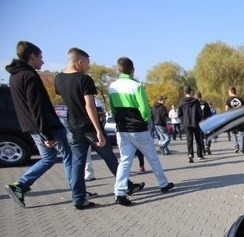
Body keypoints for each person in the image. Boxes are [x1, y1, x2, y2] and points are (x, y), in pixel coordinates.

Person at [55, 47, 144, 209]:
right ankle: (125, 186)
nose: (88, 66)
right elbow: (89, 106)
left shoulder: (58, 79)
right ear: (79, 62)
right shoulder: (84, 79)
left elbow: (69, 102)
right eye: (87, 63)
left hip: (73, 127)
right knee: (110, 159)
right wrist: (98, 130)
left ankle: (78, 198)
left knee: (77, 163)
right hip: (89, 127)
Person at [4, 41, 73, 208]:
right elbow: (37, 107)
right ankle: (78, 190)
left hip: (33, 127)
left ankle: (20, 185)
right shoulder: (29, 76)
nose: (42, 61)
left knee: (48, 159)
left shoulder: (14, 76)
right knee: (69, 156)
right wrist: (47, 134)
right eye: (40, 57)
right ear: (32, 56)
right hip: (47, 126)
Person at [108, 56, 174, 206]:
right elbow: (144, 109)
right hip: (138, 128)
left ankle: (119, 192)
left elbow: (112, 110)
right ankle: (163, 184)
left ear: (117, 70)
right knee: (152, 157)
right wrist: (144, 121)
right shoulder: (136, 86)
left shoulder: (112, 87)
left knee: (124, 161)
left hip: (122, 129)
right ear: (133, 70)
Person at [178, 86, 203, 162]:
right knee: (198, 139)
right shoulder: (196, 101)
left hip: (187, 123)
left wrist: (183, 120)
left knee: (189, 140)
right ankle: (199, 155)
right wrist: (199, 120)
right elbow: (199, 113)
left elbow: (179, 113)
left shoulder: (182, 101)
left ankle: (190, 154)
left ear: (184, 92)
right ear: (191, 92)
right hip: (195, 122)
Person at [225, 86, 244, 153]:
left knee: (233, 133)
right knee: (242, 133)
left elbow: (226, 110)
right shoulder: (241, 99)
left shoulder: (228, 100)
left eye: (228, 92)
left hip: (233, 118)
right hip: (240, 118)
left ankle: (236, 147)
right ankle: (242, 149)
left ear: (230, 92)